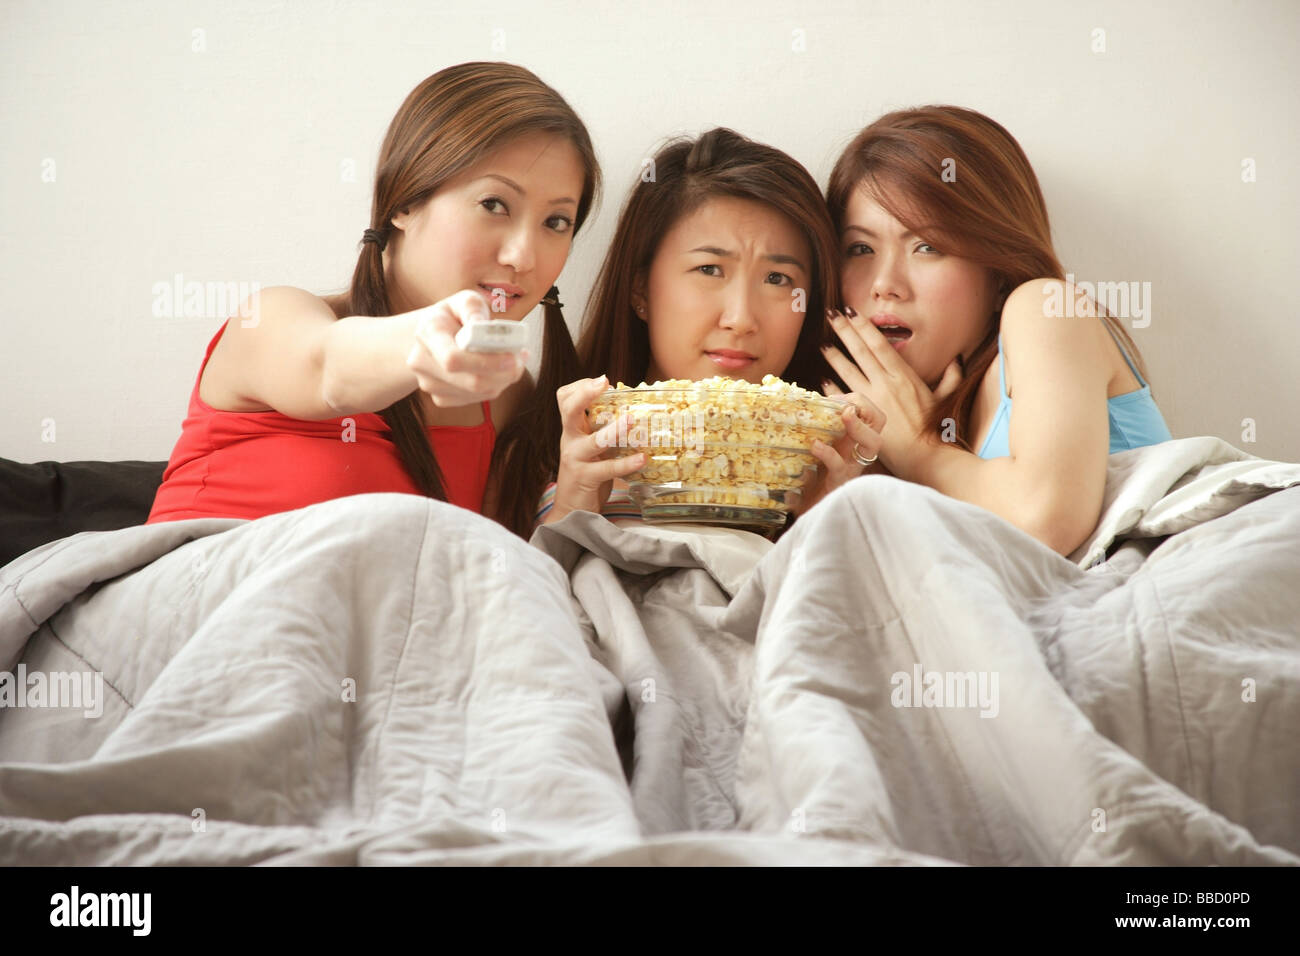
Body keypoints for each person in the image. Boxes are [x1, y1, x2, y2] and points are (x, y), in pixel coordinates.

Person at [147, 62, 599, 539]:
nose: (523, 256)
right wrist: (426, 339)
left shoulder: (503, 395)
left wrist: (573, 502)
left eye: (556, 222)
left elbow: (492, 576)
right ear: (404, 201)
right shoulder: (271, 319)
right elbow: (326, 368)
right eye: (493, 204)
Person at [822, 106, 1172, 556]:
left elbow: (1045, 520)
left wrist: (920, 453)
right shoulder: (883, 422)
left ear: (996, 265)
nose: (885, 285)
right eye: (860, 248)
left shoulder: (1046, 309)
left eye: (927, 246)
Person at [535, 128, 886, 528]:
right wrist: (571, 512)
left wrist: (819, 519)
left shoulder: (838, 475)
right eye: (709, 269)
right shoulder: (547, 452)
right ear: (640, 287)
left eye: (777, 279)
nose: (740, 318)